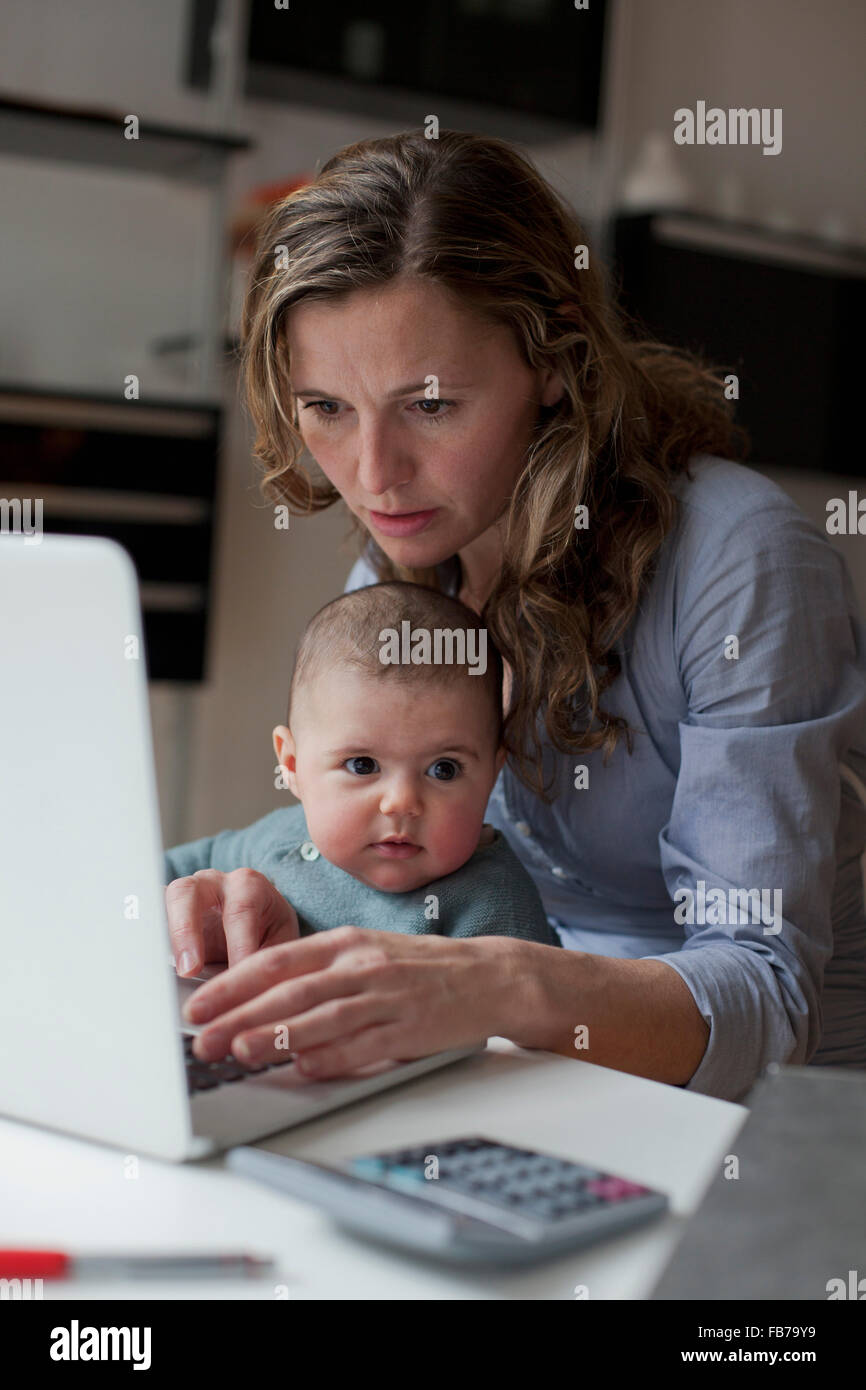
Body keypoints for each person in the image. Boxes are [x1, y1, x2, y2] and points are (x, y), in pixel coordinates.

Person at [170, 129, 866, 1105]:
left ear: (553, 359)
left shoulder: (736, 561)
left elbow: (764, 995)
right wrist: (263, 897)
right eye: (325, 407)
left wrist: (494, 984)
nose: (373, 475)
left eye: (430, 405)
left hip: (775, 1127)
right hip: (529, 1078)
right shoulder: (402, 558)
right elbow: (394, 848)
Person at [164, 581, 560, 980]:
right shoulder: (280, 842)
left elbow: (525, 1030)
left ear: (492, 774)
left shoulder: (496, 906)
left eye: (444, 769)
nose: (401, 802)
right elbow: (156, 876)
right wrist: (188, 918)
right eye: (363, 765)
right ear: (293, 764)